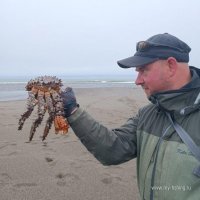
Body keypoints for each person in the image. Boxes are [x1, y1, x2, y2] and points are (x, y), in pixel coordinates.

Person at [61, 33, 200, 200]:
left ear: (171, 66)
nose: (137, 81)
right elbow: (113, 150)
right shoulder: (147, 114)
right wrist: (73, 112)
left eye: (143, 70)